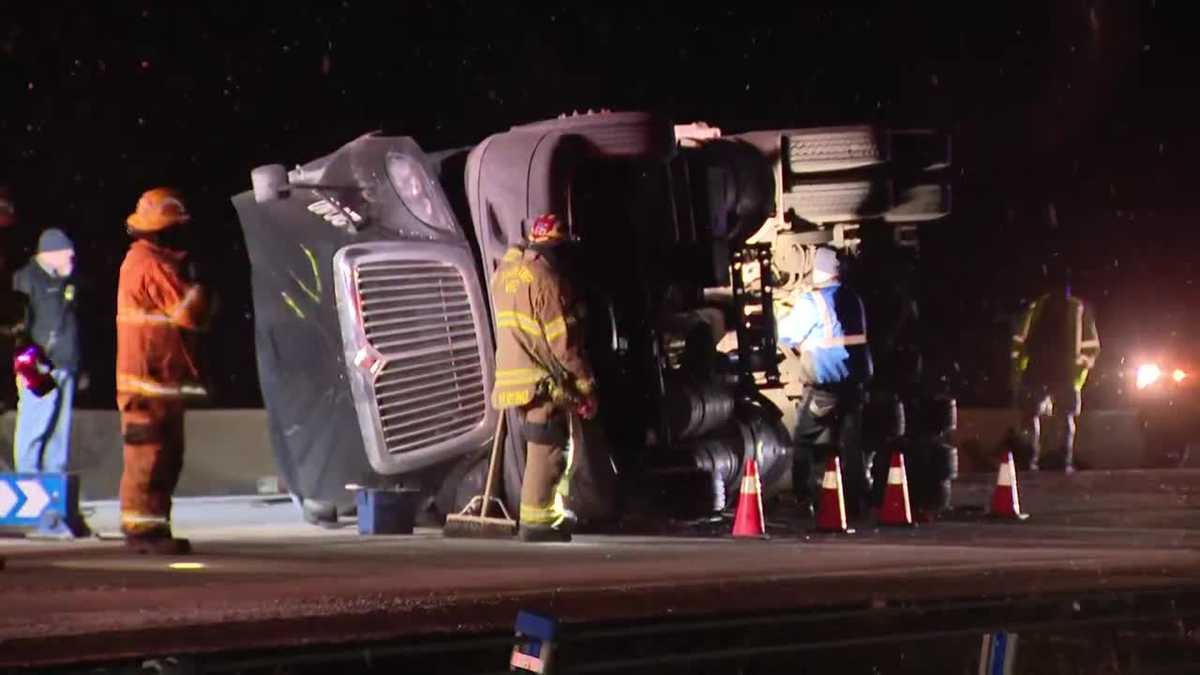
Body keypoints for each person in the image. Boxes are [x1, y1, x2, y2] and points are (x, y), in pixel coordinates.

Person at [489, 212, 597, 543]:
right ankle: (538, 520)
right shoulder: (546, 279)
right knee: (550, 447)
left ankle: (549, 511)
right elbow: (562, 343)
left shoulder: (505, 273)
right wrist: (585, 387)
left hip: (510, 376)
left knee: (540, 443)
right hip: (538, 379)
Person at [116, 188, 212, 554]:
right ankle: (142, 533)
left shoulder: (150, 261)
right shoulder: (150, 264)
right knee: (149, 460)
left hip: (158, 381)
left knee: (164, 459)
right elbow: (190, 314)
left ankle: (154, 528)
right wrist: (200, 287)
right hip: (147, 383)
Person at [776, 246, 874, 517]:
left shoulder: (812, 301)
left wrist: (779, 315)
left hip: (824, 388)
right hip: (854, 386)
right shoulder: (853, 298)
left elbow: (787, 334)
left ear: (816, 271)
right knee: (850, 443)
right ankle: (856, 502)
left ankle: (802, 499)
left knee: (803, 440)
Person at [1011, 270, 1099, 472]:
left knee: (1059, 416)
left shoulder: (1075, 309)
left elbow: (1090, 346)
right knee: (1034, 414)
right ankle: (1033, 454)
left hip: (1057, 371)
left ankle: (1057, 456)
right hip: (1042, 370)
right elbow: (1021, 341)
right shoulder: (1041, 307)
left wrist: (1080, 363)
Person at [11, 229, 81, 474]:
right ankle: (27, 479)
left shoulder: (65, 281)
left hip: (64, 364)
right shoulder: (26, 279)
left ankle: (54, 484)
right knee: (36, 422)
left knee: (59, 428)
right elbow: (18, 326)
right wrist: (30, 362)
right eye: (66, 252)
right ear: (50, 253)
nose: (72, 256)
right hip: (38, 365)